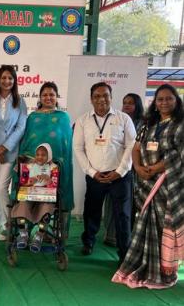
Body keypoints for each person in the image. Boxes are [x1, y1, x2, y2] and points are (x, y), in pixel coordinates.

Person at [112, 84, 184, 289]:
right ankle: (144, 265)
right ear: (155, 102)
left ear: (176, 100)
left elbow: (178, 154)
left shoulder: (180, 124)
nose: (164, 102)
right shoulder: (148, 124)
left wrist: (154, 169)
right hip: (145, 181)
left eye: (169, 98)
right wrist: (137, 167)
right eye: (160, 99)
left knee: (162, 226)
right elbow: (136, 147)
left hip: (168, 184)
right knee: (144, 225)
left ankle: (164, 271)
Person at [73, 82, 136, 263]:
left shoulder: (123, 118)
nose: (101, 99)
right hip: (96, 177)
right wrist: (92, 172)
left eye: (105, 95)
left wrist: (121, 171)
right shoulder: (83, 121)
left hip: (120, 177)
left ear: (111, 97)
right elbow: (78, 148)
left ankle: (125, 253)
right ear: (91, 99)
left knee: (122, 215)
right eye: (97, 96)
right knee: (91, 211)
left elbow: (131, 146)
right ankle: (89, 242)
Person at [10, 82, 74, 250]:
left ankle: (42, 234)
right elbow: (26, 142)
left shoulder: (63, 117)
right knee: (26, 197)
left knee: (48, 200)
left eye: (51, 94)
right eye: (45, 94)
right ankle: (24, 233)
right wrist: (29, 161)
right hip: (31, 169)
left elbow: (65, 145)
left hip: (54, 169)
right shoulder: (32, 117)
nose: (48, 97)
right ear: (40, 97)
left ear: (56, 97)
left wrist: (54, 163)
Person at [0, 65, 27, 241]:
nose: (7, 81)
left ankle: (8, 224)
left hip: (9, 154)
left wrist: (5, 147)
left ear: (14, 80)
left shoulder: (20, 101)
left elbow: (21, 127)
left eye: (10, 78)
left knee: (1, 188)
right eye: (4, 77)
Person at [104, 93, 144, 247]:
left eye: (131, 103)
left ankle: (128, 237)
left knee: (128, 206)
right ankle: (110, 235)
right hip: (115, 169)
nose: (127, 105)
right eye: (125, 102)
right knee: (111, 204)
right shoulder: (117, 119)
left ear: (137, 105)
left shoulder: (142, 123)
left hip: (134, 170)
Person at [11, 143, 58, 252]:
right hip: (30, 196)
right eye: (38, 154)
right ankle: (23, 234)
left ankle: (39, 236)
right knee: (21, 208)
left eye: (43, 155)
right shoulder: (29, 166)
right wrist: (29, 182)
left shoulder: (53, 167)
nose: (40, 157)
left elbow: (54, 185)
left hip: (45, 199)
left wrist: (48, 179)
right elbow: (23, 183)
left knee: (46, 213)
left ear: (49, 156)